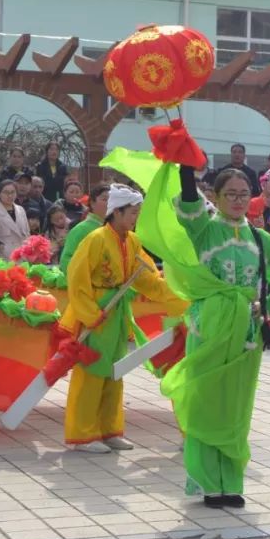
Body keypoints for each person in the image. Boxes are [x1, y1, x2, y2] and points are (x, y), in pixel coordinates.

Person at [147, 162, 270, 507]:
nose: (238, 201)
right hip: (209, 328)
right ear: (215, 196)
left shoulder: (259, 237)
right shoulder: (204, 230)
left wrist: (269, 311)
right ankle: (206, 482)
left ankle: (232, 482)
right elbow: (189, 202)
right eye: (230, 194)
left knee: (236, 405)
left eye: (244, 194)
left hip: (246, 332)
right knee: (205, 401)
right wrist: (186, 169)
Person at [61, 184, 184, 452]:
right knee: (92, 373)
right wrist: (90, 313)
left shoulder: (132, 241)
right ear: (116, 212)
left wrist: (174, 291)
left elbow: (145, 279)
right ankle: (83, 434)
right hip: (97, 312)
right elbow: (76, 278)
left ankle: (109, 430)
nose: (135, 218)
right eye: (132, 213)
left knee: (114, 373)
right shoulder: (94, 239)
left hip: (116, 314)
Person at [59, 185, 110, 272]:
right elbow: (65, 262)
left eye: (112, 200)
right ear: (92, 203)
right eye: (105, 199)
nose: (109, 203)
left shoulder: (116, 230)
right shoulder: (81, 229)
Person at [0, 179, 30, 260]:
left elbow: (27, 232)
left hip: (21, 256)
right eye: (6, 192)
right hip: (3, 256)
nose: (10, 196)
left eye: (12, 192)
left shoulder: (21, 210)